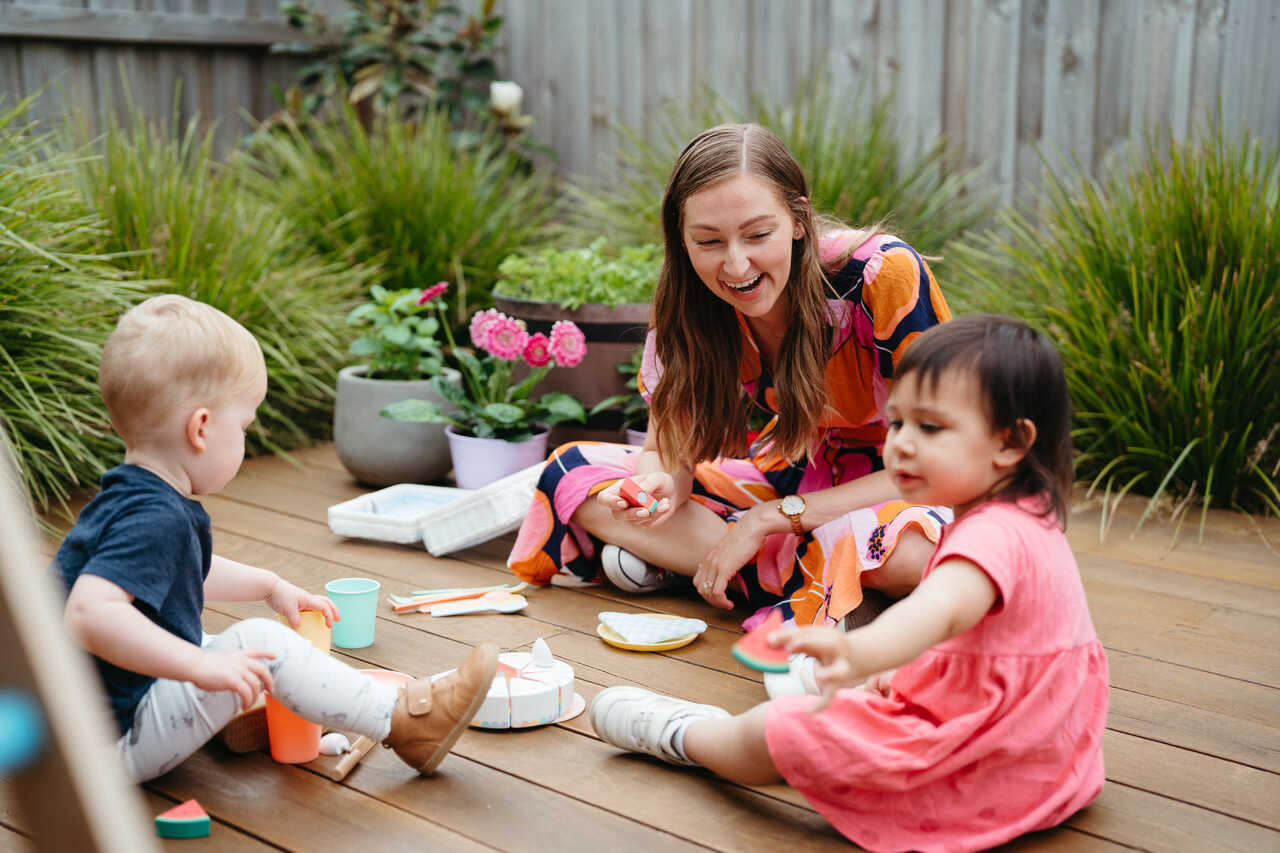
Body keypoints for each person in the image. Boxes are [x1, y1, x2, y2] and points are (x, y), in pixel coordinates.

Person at [589, 315, 1110, 852]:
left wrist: (855, 650)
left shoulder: (994, 537)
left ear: (1011, 442)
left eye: (929, 428)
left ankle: (689, 735)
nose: (902, 445)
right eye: (898, 423)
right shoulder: (1026, 515)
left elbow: (936, 612)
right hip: (1048, 754)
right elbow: (986, 644)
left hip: (984, 757)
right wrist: (904, 670)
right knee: (865, 695)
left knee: (786, 730)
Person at [509, 122, 951, 630]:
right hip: (794, 471)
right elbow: (665, 450)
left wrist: (769, 520)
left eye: (759, 235)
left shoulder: (880, 274)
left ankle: (720, 562)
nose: (736, 265)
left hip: (903, 488)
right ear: (682, 240)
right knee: (572, 472)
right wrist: (654, 492)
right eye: (708, 241)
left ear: (800, 220)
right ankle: (816, 584)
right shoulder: (690, 304)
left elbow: (939, 463)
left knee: (911, 551)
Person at [54, 294, 497, 782]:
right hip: (104, 750)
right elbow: (89, 614)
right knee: (261, 644)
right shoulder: (152, 516)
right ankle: (406, 721)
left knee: (217, 644)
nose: (244, 439)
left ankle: (257, 712)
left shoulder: (131, 497)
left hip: (79, 727)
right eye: (243, 426)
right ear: (201, 428)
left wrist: (268, 585)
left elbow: (183, 571)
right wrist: (198, 668)